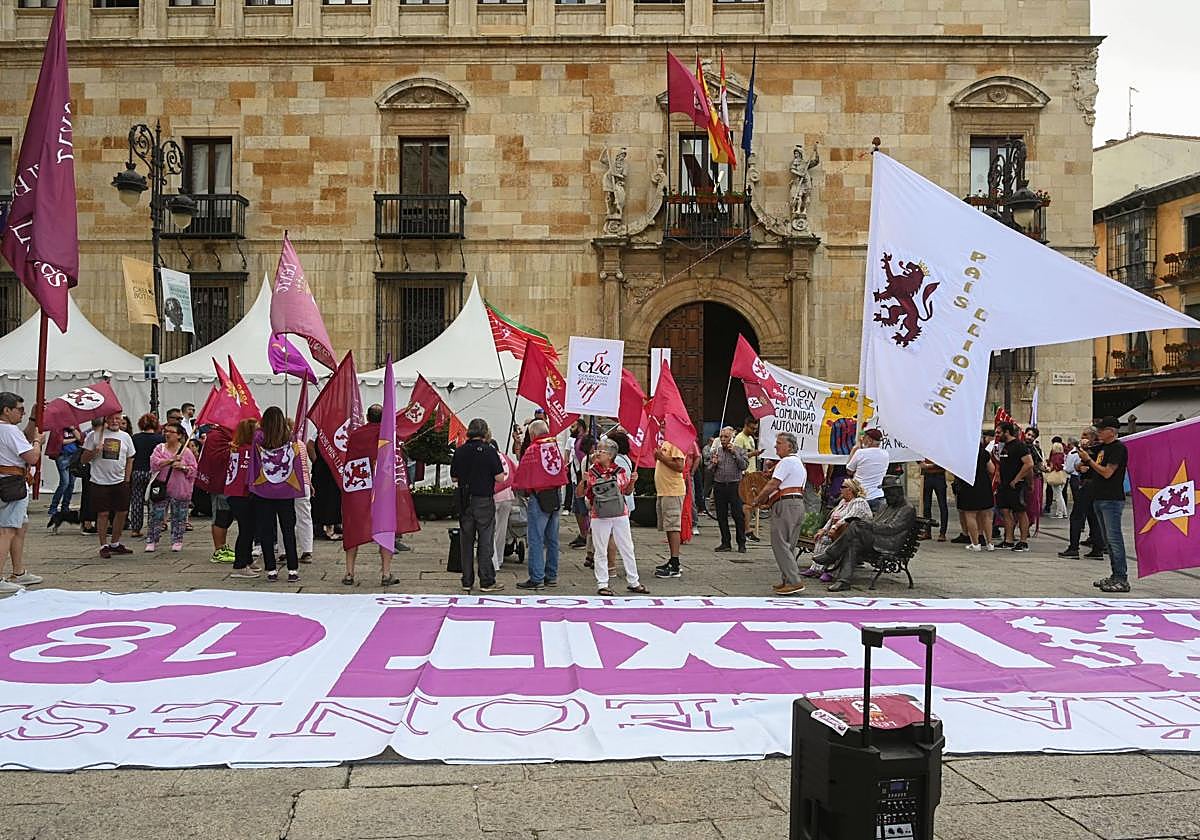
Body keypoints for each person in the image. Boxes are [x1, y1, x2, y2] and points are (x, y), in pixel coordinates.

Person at [816, 475, 916, 592]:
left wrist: (868, 525)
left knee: (855, 525)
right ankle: (844, 581)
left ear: (896, 492)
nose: (886, 495)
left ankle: (831, 554)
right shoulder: (886, 505)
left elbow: (892, 528)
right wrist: (867, 524)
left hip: (888, 543)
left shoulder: (907, 508)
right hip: (876, 537)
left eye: (888, 492)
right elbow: (875, 521)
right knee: (854, 541)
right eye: (885, 492)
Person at [342, 404, 399, 587]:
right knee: (385, 527)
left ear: (367, 417)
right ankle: (386, 573)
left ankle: (349, 573)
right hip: (381, 488)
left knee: (353, 527)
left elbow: (349, 460)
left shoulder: (356, 435)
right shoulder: (387, 436)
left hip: (358, 487)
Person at [585, 438, 649, 596]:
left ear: (611, 455)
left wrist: (633, 482)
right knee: (600, 549)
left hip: (620, 513)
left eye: (602, 451)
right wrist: (584, 481)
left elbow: (626, 492)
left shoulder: (620, 471)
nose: (598, 452)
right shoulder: (592, 471)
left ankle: (633, 581)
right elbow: (584, 493)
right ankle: (602, 583)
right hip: (599, 514)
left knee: (627, 547)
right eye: (598, 449)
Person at [249, 406, 305, 583]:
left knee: (266, 530)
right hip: (286, 490)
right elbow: (295, 462)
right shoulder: (290, 437)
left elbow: (254, 461)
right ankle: (293, 569)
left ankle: (271, 570)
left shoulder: (258, 437)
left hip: (263, 489)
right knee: (288, 530)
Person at [450, 418, 506, 593]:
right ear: (485, 432)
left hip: (465, 500)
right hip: (483, 499)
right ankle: (486, 580)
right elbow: (500, 478)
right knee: (485, 541)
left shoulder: (460, 451)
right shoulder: (490, 451)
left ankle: (467, 580)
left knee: (466, 541)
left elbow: (454, 478)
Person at [749, 431, 808, 596]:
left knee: (780, 543)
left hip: (786, 504)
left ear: (789, 446)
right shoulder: (799, 463)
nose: (776, 446)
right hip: (797, 503)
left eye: (779, 443)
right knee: (789, 544)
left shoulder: (786, 462)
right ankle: (788, 580)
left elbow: (773, 485)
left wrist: (758, 500)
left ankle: (794, 581)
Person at [513, 419, 568, 590]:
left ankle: (536, 577)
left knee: (535, 538)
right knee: (552, 539)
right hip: (555, 495)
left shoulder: (533, 449)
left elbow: (522, 474)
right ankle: (551, 575)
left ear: (533, 434)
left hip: (539, 496)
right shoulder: (554, 447)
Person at [0, 392, 44, 595]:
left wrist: (34, 418)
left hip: (7, 480)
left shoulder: (8, 430)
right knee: (7, 530)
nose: (22, 413)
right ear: (6, 410)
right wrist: (37, 442)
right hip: (11, 482)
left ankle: (18, 571)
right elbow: (32, 456)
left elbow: (22, 438)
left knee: (19, 527)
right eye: (19, 409)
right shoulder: (8, 430)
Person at [1082, 416, 1130, 593]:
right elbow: (1093, 467)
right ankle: (1114, 574)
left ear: (1112, 431)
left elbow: (1108, 472)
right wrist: (1084, 463)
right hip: (1099, 496)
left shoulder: (1118, 448)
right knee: (1107, 540)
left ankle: (1121, 577)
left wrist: (1089, 461)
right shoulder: (1103, 448)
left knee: (1114, 539)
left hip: (1112, 498)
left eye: (1102, 430)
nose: (1099, 433)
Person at [82, 411, 136, 558]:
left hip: (119, 481)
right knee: (103, 513)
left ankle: (115, 542)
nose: (114, 421)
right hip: (99, 481)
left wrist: (127, 478)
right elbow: (83, 460)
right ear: (106, 420)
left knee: (122, 511)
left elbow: (130, 458)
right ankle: (103, 544)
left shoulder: (125, 437)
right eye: (111, 418)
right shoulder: (94, 436)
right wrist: (94, 451)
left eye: (117, 419)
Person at [801, 478, 872, 581]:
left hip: (856, 536)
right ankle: (816, 569)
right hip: (840, 533)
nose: (840, 489)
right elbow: (832, 518)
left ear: (850, 490)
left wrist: (834, 527)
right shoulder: (843, 502)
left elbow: (849, 517)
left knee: (838, 543)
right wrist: (823, 529)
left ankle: (831, 571)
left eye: (843, 487)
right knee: (822, 538)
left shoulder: (859, 502)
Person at [145, 422, 197, 552]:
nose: (167, 434)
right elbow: (154, 463)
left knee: (179, 515)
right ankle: (152, 539)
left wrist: (183, 467)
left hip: (179, 488)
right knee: (156, 515)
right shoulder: (160, 448)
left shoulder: (186, 452)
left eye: (171, 432)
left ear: (179, 435)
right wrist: (170, 460)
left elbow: (194, 470)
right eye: (165, 431)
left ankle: (177, 540)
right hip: (161, 487)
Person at [1059, 428, 1106, 560]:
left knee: (1078, 516)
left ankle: (1074, 548)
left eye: (1085, 435)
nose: (1083, 437)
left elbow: (1089, 460)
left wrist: (1083, 449)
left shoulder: (1097, 449)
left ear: (1093, 437)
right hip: (1088, 483)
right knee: (1092, 516)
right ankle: (1097, 548)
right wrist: (1080, 465)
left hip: (1090, 485)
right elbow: (1079, 464)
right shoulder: (1091, 449)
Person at [194, 423, 236, 564]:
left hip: (230, 482)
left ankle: (222, 546)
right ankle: (219, 549)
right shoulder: (217, 436)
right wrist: (232, 448)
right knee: (220, 516)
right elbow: (215, 457)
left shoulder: (227, 434)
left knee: (227, 515)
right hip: (220, 482)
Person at [226, 418, 262, 578]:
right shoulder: (246, 451)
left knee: (249, 529)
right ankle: (240, 565)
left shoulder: (239, 449)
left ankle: (247, 559)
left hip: (238, 494)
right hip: (242, 495)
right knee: (246, 530)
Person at [707, 426, 748, 553]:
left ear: (732, 439)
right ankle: (725, 542)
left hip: (734, 485)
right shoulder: (717, 451)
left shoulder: (739, 450)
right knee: (721, 515)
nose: (723, 440)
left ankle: (741, 542)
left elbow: (744, 465)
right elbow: (709, 469)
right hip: (720, 485)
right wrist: (713, 464)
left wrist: (734, 453)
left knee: (738, 515)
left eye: (726, 437)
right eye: (722, 437)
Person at [652, 438, 687, 579]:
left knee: (673, 526)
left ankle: (675, 563)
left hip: (673, 491)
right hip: (664, 490)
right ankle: (672, 559)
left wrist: (661, 458)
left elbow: (680, 466)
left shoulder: (676, 443)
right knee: (668, 526)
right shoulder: (666, 443)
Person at [994, 421, 1033, 552]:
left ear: (1007, 432)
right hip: (1004, 485)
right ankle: (1008, 540)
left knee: (1020, 512)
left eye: (999, 432)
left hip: (1016, 485)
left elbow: (1029, 464)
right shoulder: (1004, 446)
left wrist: (1017, 479)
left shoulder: (1019, 446)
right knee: (1005, 511)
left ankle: (1023, 541)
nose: (997, 434)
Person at [955, 434, 997, 551]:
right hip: (984, 486)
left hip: (968, 485)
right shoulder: (983, 453)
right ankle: (989, 544)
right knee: (987, 516)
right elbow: (992, 469)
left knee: (970, 515)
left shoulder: (962, 455)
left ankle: (975, 543)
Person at [128, 413, 164, 538]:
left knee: (136, 500)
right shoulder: (160, 439)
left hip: (137, 471)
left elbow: (131, 456)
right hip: (153, 473)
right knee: (153, 500)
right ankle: (152, 526)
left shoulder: (135, 438)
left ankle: (135, 529)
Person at [46, 424, 82, 533]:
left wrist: (73, 430)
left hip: (74, 457)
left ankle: (65, 507)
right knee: (64, 483)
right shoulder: (58, 428)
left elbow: (80, 438)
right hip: (63, 456)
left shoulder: (74, 427)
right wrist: (74, 439)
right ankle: (53, 507)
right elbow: (60, 442)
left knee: (71, 483)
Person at [846, 428, 890, 513]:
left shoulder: (860, 453)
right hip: (878, 495)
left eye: (864, 438)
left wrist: (854, 450)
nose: (862, 440)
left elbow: (849, 470)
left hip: (862, 497)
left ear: (870, 440)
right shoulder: (885, 454)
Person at [490, 437, 518, 573]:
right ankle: (500, 559)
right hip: (507, 496)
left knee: (490, 530)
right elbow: (516, 472)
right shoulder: (505, 457)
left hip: (493, 497)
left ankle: (493, 561)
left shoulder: (488, 457)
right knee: (502, 530)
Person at [733, 417, 764, 540]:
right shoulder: (739, 439)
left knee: (751, 504)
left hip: (752, 473)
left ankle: (748, 528)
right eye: (752, 428)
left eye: (755, 429)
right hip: (744, 474)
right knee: (747, 504)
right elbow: (738, 456)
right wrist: (754, 453)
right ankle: (746, 529)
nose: (754, 431)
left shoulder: (750, 438)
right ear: (746, 425)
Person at [918, 459, 948, 541]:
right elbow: (917, 455)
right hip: (926, 475)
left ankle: (942, 533)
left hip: (939, 475)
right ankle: (927, 531)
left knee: (942, 505)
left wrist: (930, 466)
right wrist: (920, 463)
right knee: (926, 505)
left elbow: (945, 460)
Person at [1046, 441, 1068, 519]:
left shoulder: (1055, 456)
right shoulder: (1063, 455)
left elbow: (1055, 466)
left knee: (1058, 496)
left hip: (1056, 475)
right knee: (1060, 495)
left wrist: (1050, 468)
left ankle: (1060, 513)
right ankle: (1064, 512)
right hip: (1062, 475)